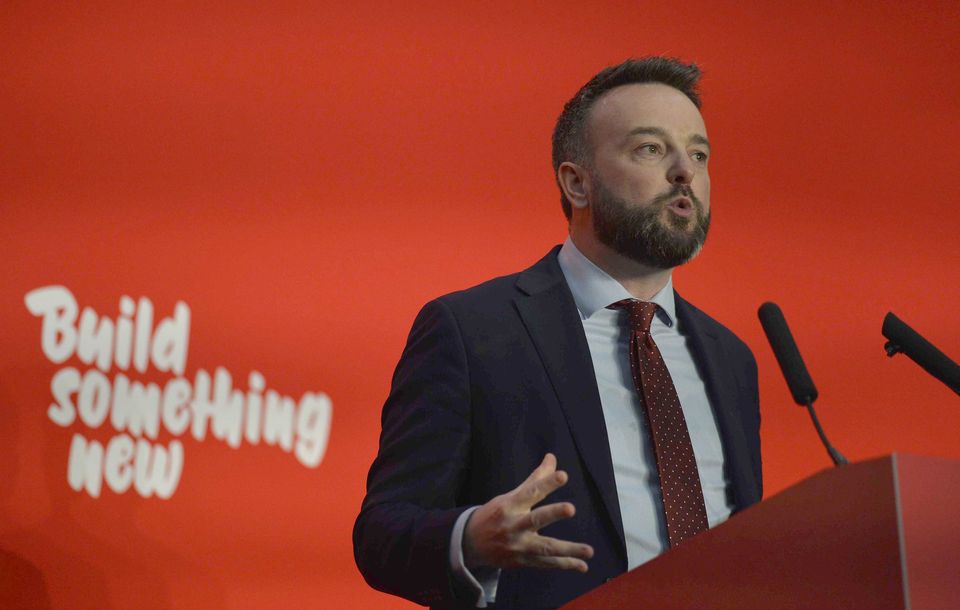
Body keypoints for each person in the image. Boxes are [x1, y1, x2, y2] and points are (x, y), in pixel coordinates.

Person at [353, 57, 762, 610]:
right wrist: (471, 537)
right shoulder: (474, 331)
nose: (684, 172)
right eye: (651, 149)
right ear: (577, 182)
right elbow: (382, 535)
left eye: (698, 153)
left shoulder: (731, 359)